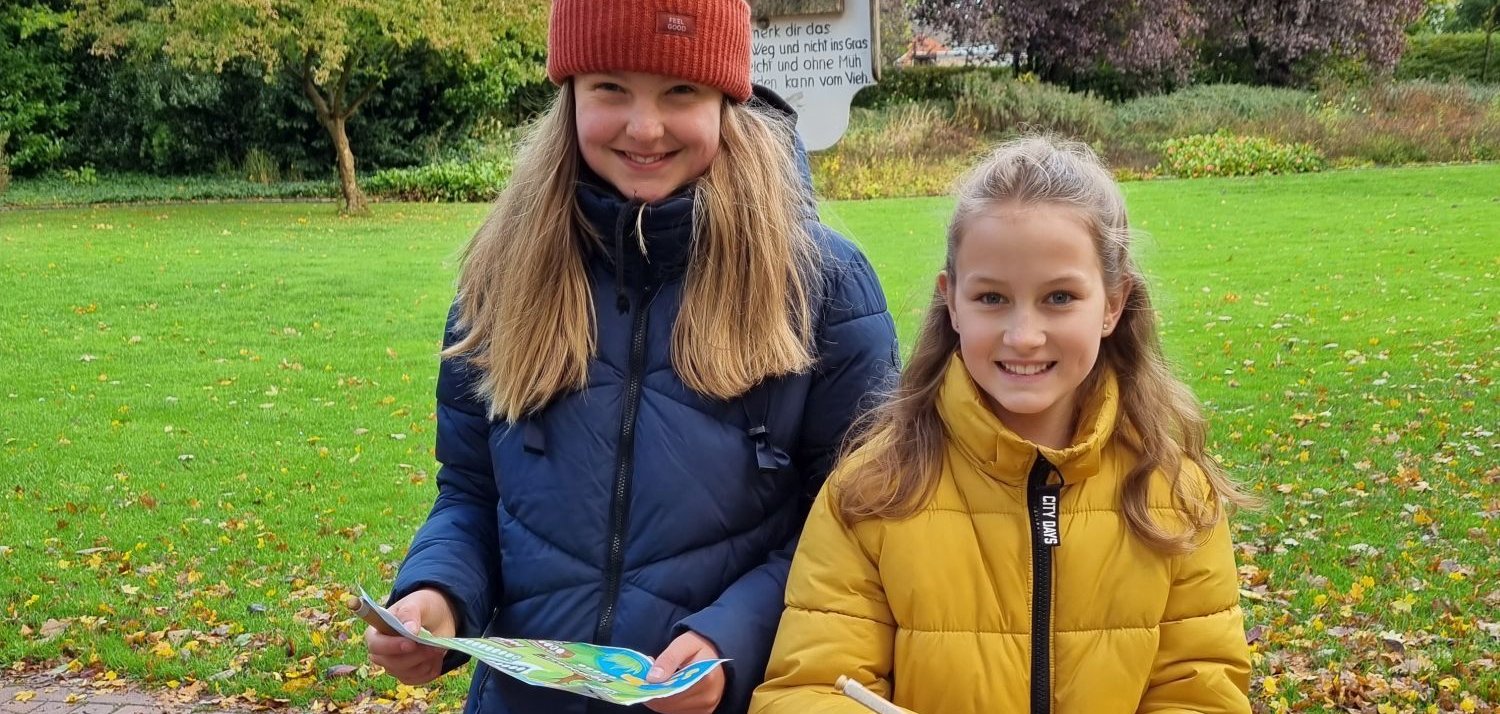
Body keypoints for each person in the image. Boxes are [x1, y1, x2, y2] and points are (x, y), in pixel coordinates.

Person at [363, 1, 899, 713]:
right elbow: (471, 491)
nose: (644, 128)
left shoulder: (821, 284)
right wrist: (436, 592)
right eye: (610, 88)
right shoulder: (503, 271)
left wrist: (729, 640)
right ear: (571, 95)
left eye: (680, 91)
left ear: (726, 99)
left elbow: (855, 527)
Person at [750, 135, 1254, 714]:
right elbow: (806, 690)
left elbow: (1201, 692)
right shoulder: (873, 492)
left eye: (1060, 297)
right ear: (953, 302)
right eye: (992, 298)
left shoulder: (1172, 495)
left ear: (1113, 303)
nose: (1023, 335)